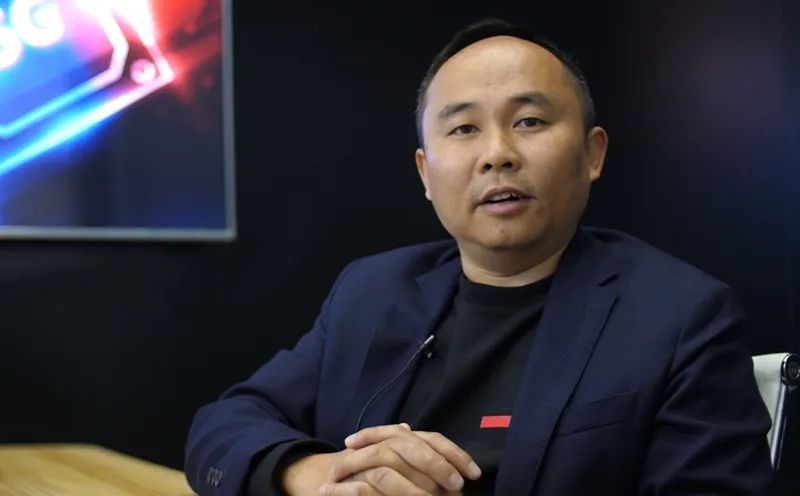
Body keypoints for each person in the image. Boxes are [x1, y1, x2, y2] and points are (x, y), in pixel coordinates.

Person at [185, 18, 774, 496]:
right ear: (426, 173)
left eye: (529, 121)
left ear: (592, 154)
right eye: (464, 129)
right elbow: (223, 425)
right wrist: (315, 474)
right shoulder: (372, 290)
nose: (497, 154)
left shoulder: (681, 317)